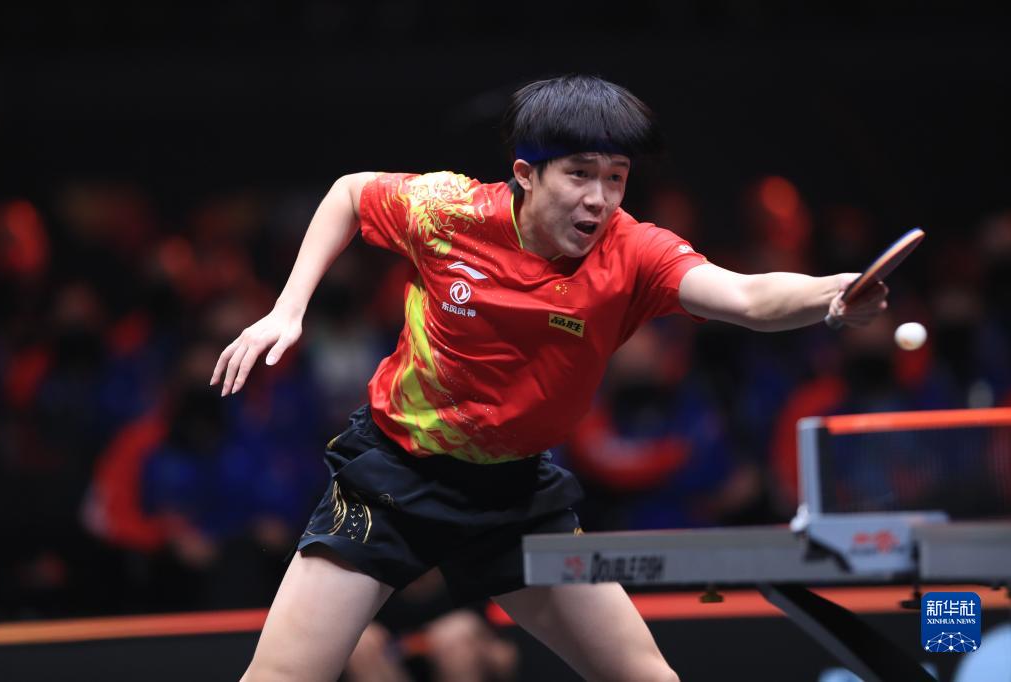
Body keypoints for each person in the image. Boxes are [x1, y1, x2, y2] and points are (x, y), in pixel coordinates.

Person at [211, 75, 887, 682]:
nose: (600, 199)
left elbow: (745, 296)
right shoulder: (448, 212)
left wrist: (832, 293)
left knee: (645, 676)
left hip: (515, 497)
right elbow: (350, 194)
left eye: (616, 178)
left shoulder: (634, 252)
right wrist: (288, 308)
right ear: (526, 174)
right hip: (394, 477)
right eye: (579, 174)